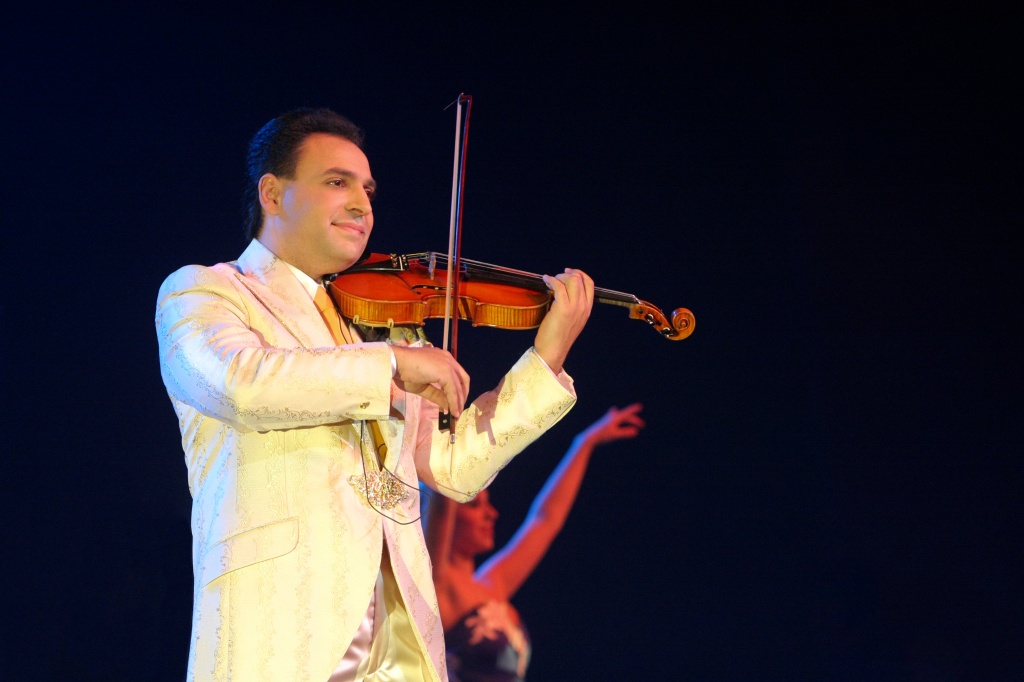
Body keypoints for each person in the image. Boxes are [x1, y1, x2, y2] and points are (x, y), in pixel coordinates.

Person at [154, 108, 594, 682]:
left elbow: (454, 467)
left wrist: (546, 359)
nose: (362, 205)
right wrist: (390, 362)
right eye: (337, 182)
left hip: (401, 644)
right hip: (284, 628)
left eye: (368, 189)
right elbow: (239, 383)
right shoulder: (207, 291)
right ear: (272, 194)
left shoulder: (381, 321)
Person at [424, 403, 645, 682]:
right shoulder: (439, 585)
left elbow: (546, 520)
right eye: (475, 505)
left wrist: (585, 443)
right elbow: (443, 486)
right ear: (447, 517)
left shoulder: (493, 584)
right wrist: (446, 411)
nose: (492, 514)